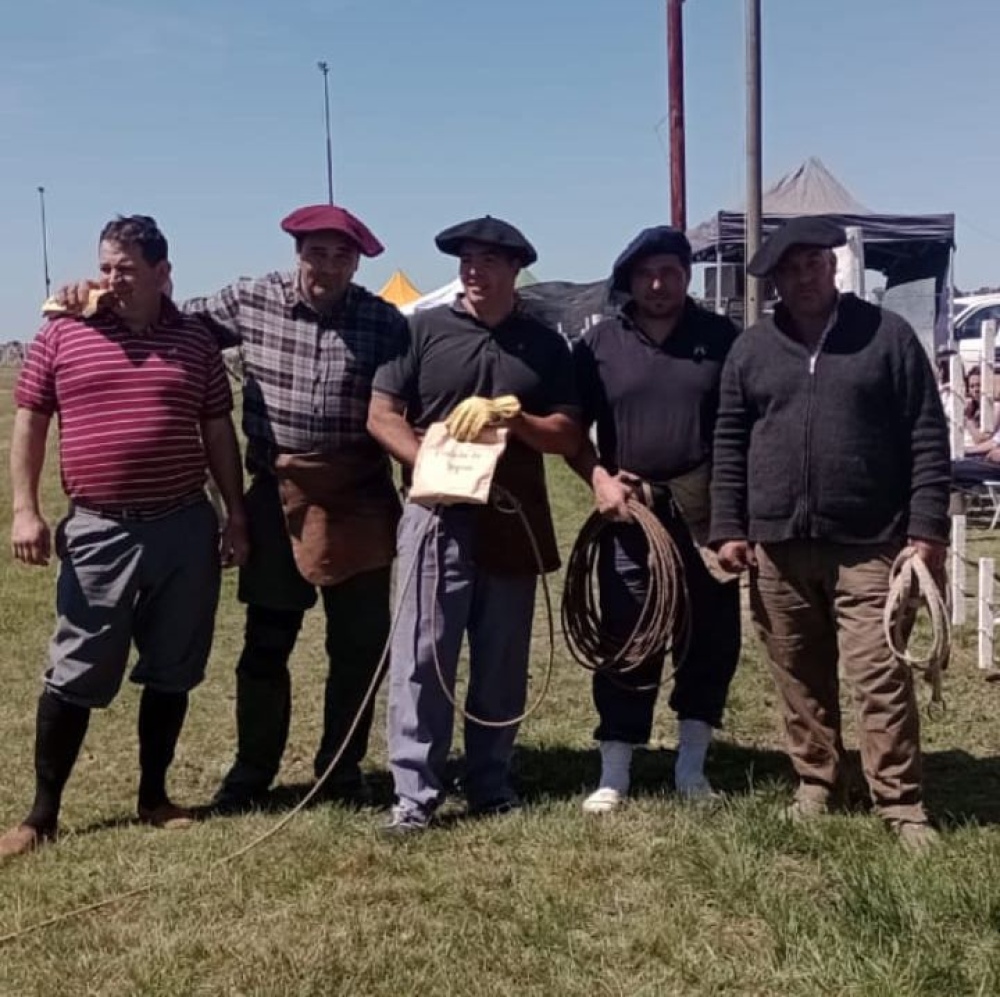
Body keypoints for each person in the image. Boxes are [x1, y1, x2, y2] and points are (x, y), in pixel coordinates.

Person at [52, 204, 408, 811]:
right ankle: (252, 772)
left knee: (360, 646)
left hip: (359, 499)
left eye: (341, 256)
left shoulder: (385, 323)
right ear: (296, 252)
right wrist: (101, 293)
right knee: (267, 641)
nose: (327, 266)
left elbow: (406, 406)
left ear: (357, 261)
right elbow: (169, 320)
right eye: (316, 253)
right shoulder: (249, 299)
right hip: (274, 493)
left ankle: (341, 771)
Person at [1, 215, 247, 860]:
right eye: (106, 267)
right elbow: (29, 424)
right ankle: (41, 815)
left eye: (127, 269)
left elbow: (218, 433)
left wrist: (235, 514)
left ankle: (154, 797)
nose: (112, 280)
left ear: (164, 274)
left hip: (183, 525)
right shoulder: (63, 332)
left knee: (173, 667)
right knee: (75, 668)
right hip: (100, 528)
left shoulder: (196, 342)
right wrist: (24, 510)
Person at [710, 216, 951, 851]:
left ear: (835, 266)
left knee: (879, 673)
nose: (804, 276)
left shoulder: (887, 337)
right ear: (774, 281)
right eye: (791, 269)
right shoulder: (751, 351)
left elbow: (928, 435)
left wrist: (928, 528)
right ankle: (818, 778)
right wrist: (728, 527)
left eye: (814, 263)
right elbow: (729, 442)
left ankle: (899, 801)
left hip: (871, 540)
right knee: (798, 672)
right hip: (778, 543)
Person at [367, 216, 583, 833]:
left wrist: (520, 423)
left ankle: (491, 779)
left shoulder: (545, 345)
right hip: (438, 515)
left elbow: (568, 432)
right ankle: (415, 794)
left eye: (489, 259)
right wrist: (432, 465)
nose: (474, 268)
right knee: (422, 654)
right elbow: (382, 415)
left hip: (514, 518)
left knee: (501, 657)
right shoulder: (422, 331)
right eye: (466, 258)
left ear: (517, 268)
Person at [568, 226, 741, 812]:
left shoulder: (721, 338)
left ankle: (690, 766)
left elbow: (742, 428)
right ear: (629, 281)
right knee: (627, 634)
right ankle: (615, 769)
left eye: (669, 271)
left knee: (708, 637)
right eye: (646, 274)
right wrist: (597, 477)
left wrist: (735, 519)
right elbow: (571, 430)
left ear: (687, 275)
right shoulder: (600, 346)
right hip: (632, 513)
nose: (659, 283)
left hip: (706, 512)